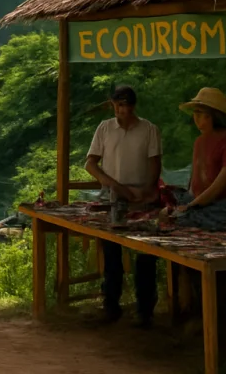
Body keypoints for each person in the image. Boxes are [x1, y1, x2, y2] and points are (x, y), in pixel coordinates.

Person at [84, 85, 161, 327]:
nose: (123, 110)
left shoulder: (149, 129)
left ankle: (145, 311)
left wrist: (146, 191)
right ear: (112, 105)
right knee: (111, 252)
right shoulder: (105, 128)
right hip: (112, 194)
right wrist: (113, 185)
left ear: (133, 106)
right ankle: (111, 305)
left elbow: (155, 165)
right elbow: (91, 164)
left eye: (127, 106)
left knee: (146, 254)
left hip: (141, 195)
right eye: (119, 105)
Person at [171, 87, 226, 231]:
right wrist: (186, 203)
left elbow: (219, 185)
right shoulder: (199, 142)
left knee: (185, 218)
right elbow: (194, 182)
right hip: (196, 203)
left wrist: (191, 206)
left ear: (213, 116)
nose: (195, 117)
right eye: (195, 112)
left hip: (221, 206)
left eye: (199, 112)